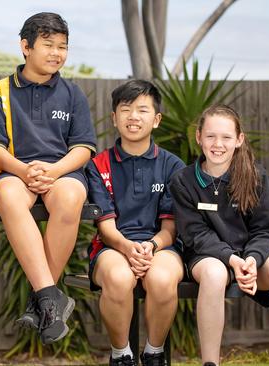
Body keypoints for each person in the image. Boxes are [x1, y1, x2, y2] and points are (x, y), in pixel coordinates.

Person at [0, 12, 96, 345]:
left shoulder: (73, 94)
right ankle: (50, 296)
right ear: (25, 47)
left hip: (63, 172)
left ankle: (42, 299)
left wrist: (54, 171)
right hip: (14, 170)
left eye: (62, 46)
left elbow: (83, 148)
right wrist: (24, 170)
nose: (56, 53)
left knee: (71, 197)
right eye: (48, 45)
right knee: (9, 196)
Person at [170, 104, 269, 366]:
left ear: (239, 140)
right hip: (207, 257)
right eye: (211, 136)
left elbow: (267, 230)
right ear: (199, 137)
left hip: (251, 258)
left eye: (226, 137)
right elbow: (194, 234)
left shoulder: (256, 176)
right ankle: (210, 363)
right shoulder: (183, 181)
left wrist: (251, 259)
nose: (218, 144)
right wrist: (230, 259)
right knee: (214, 274)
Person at [85, 80, 185, 366]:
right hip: (113, 246)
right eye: (125, 109)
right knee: (118, 278)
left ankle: (154, 353)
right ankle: (121, 355)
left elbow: (170, 228)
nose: (133, 117)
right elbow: (106, 226)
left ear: (156, 120)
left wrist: (150, 247)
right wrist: (128, 248)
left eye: (142, 110)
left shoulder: (172, 166)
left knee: (162, 279)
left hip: (162, 247)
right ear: (114, 118)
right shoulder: (98, 164)